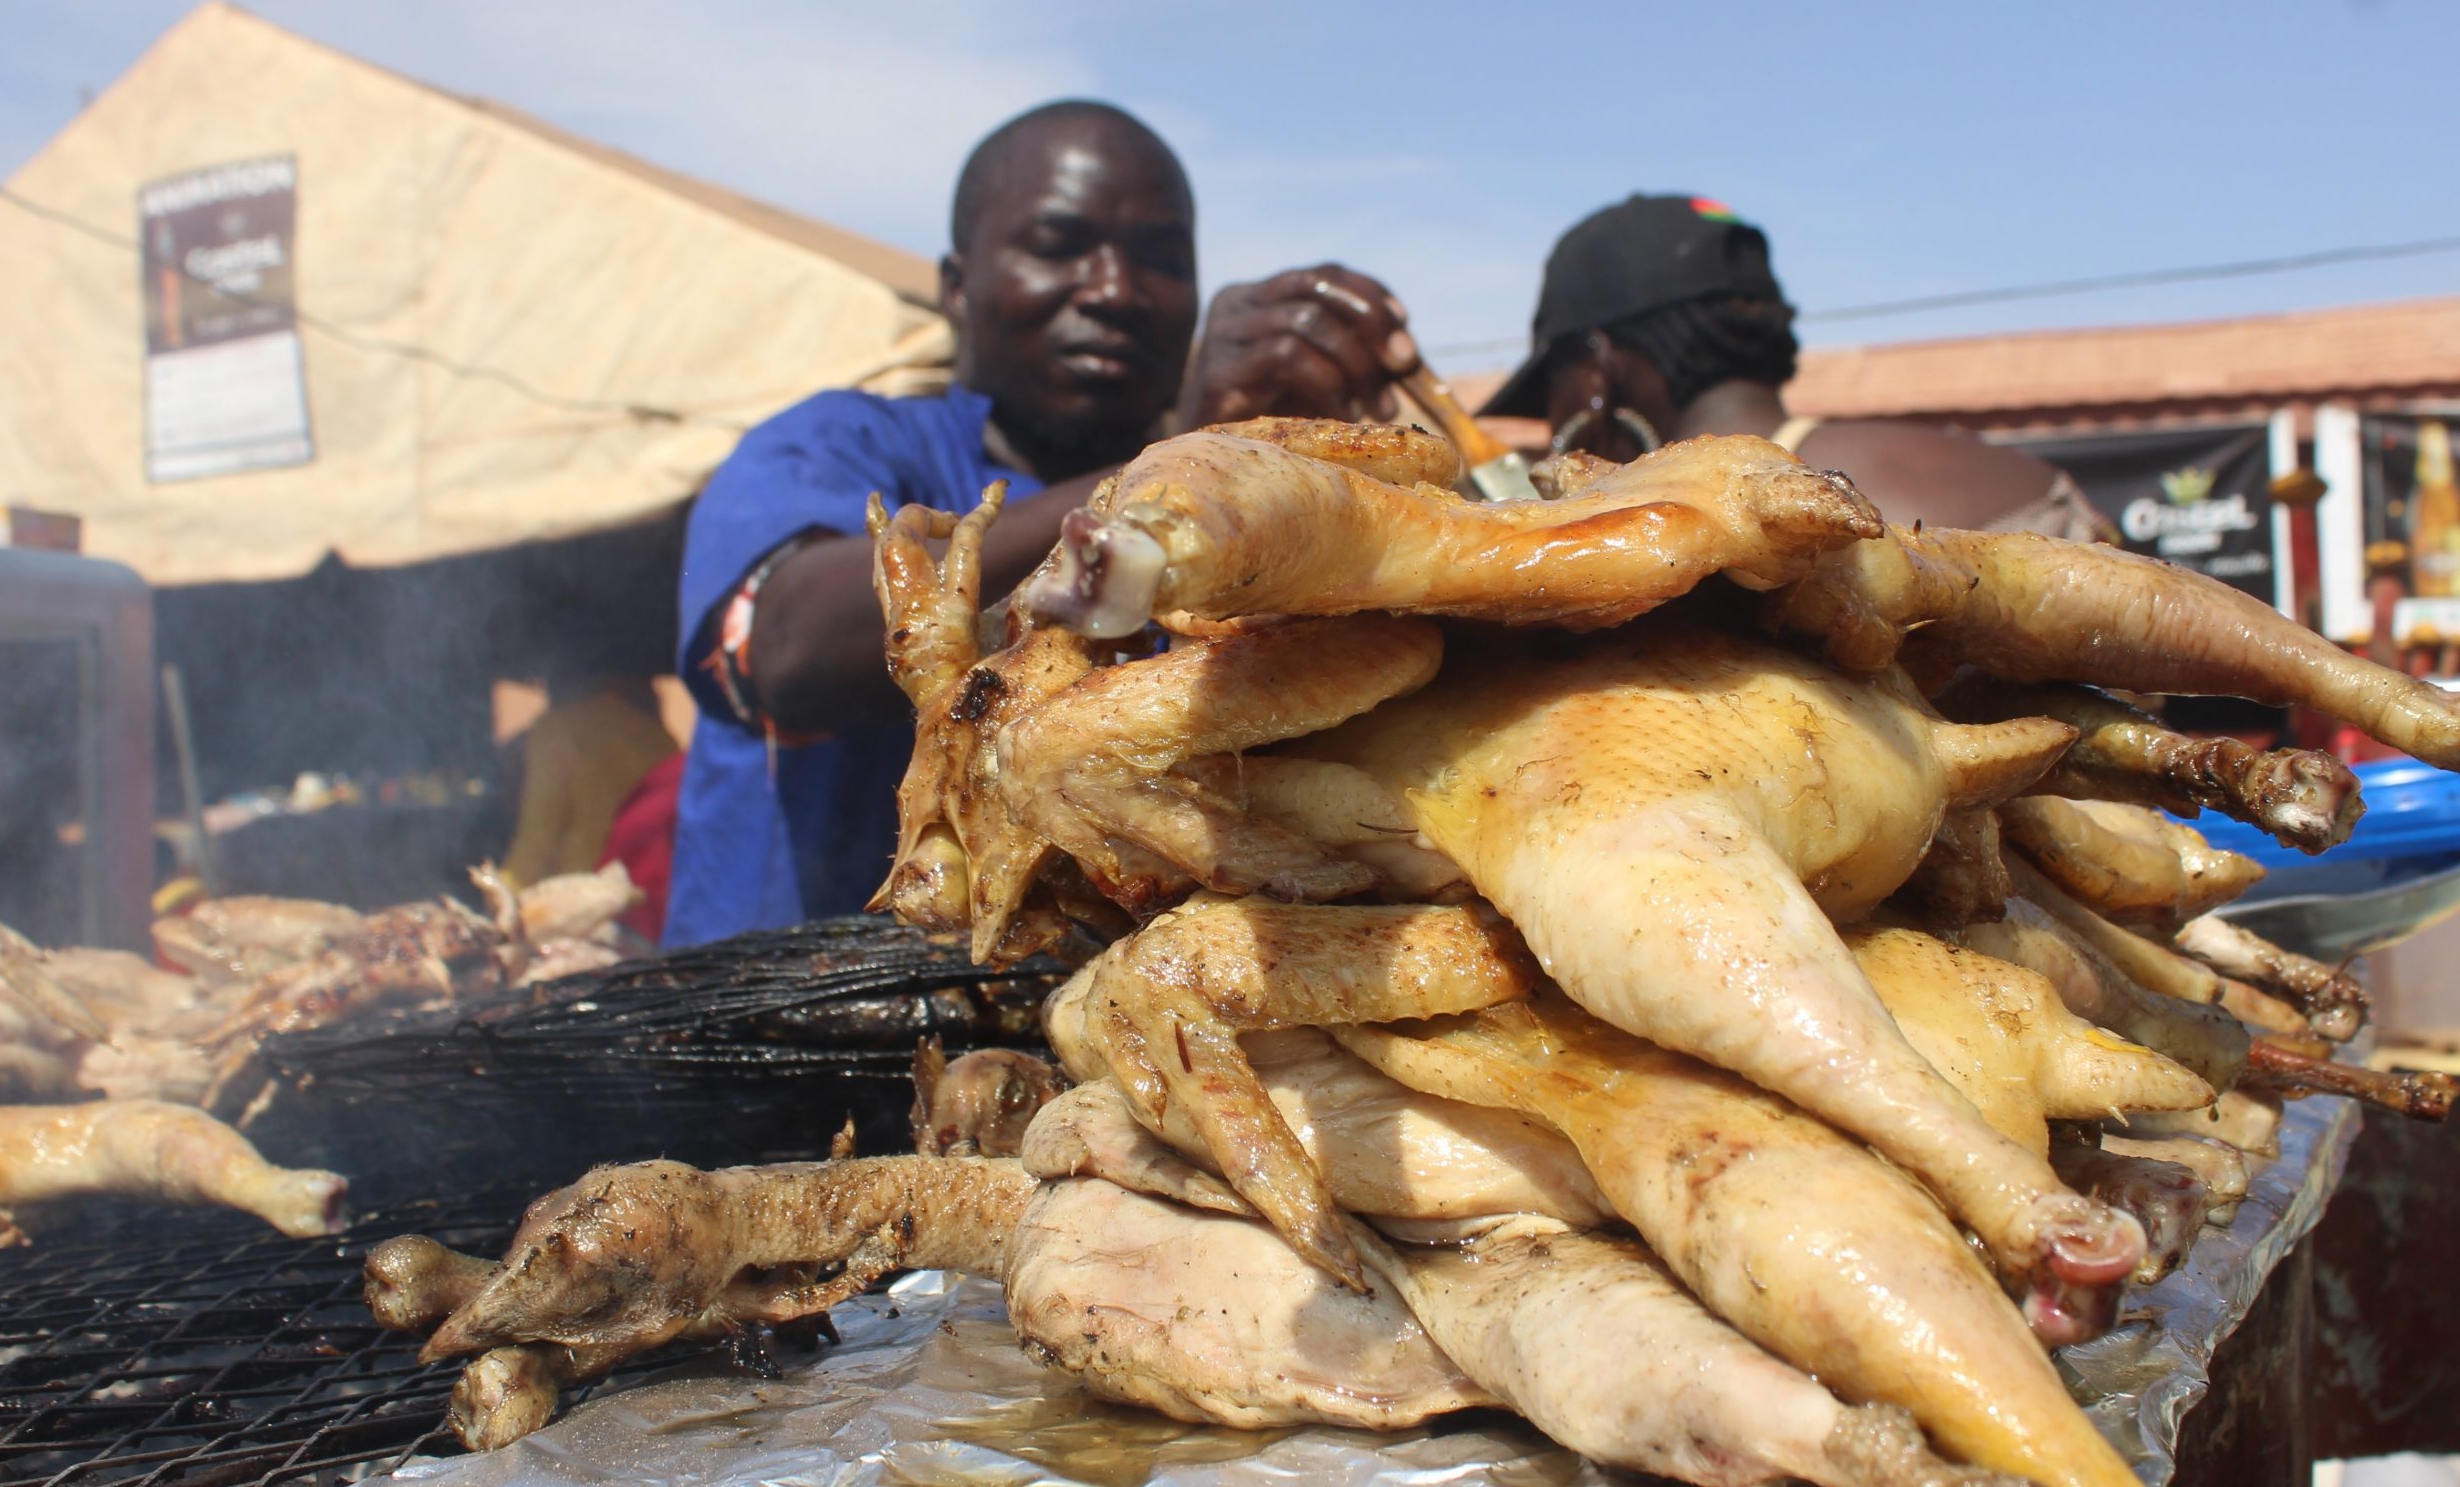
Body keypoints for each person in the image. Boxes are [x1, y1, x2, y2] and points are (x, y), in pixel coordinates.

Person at [667, 100, 1418, 945]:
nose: (1115, 291)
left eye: (1161, 258)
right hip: (771, 1043)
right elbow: (785, 648)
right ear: (958, 286)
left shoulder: (1249, 513)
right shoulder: (843, 444)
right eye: (1059, 247)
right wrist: (1175, 477)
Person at [1482, 195, 2108, 540]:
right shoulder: (2011, 473)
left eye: (1549, 392)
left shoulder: (1709, 550)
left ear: (1596, 369)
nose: (1551, 419)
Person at [497, 671, 678, 891]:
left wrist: (503, 891)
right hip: (648, 897)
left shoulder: (559, 728)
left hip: (580, 897)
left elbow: (538, 836)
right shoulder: (662, 740)